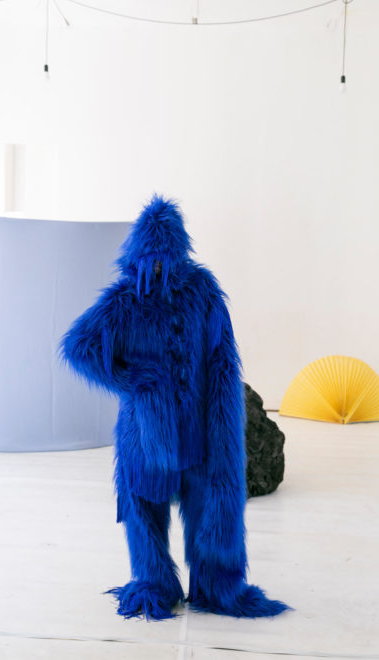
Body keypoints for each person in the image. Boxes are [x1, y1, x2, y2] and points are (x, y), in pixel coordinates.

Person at [59, 194, 290, 620]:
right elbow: (79, 345)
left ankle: (216, 584)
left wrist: (224, 426)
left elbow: (222, 362)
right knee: (143, 511)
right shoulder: (126, 299)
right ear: (138, 254)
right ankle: (154, 582)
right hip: (145, 436)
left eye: (165, 259)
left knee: (207, 508)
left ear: (178, 252)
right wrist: (133, 380)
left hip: (198, 432)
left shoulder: (202, 292)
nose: (158, 268)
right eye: (151, 259)